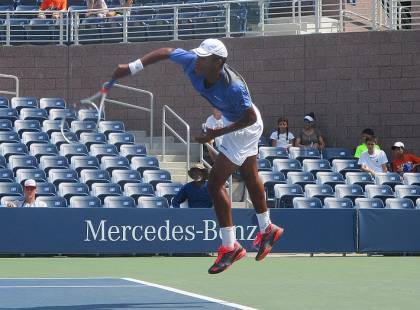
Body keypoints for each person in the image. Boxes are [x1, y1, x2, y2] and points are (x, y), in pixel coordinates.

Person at [108, 38, 284, 274]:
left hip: (245, 126)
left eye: (204, 57)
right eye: (198, 55)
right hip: (236, 122)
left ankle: (230, 246)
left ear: (218, 62)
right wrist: (132, 67)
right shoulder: (192, 61)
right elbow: (166, 51)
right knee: (250, 176)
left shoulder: (234, 88)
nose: (197, 60)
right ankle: (267, 228)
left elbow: (250, 119)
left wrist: (215, 133)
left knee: (214, 184)